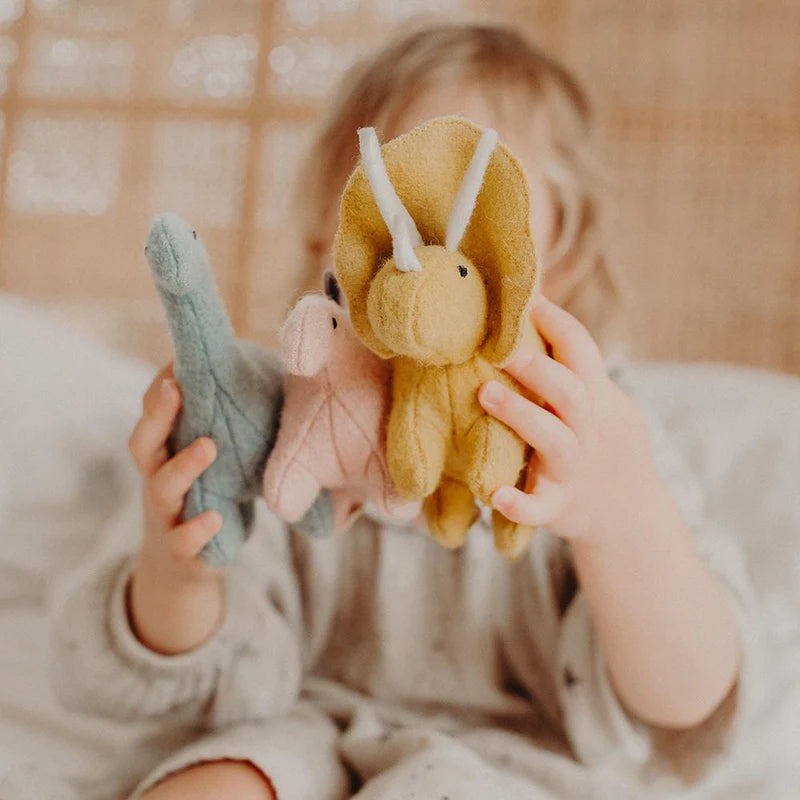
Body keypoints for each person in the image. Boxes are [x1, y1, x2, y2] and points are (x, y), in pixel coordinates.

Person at [50, 24, 760, 800]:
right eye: (384, 216)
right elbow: (171, 673)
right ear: (329, 237)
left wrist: (623, 517)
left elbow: (688, 703)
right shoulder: (281, 407)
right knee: (217, 784)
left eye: (467, 216)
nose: (417, 257)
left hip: (515, 761)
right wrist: (179, 569)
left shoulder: (598, 431)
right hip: (293, 726)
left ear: (559, 259)